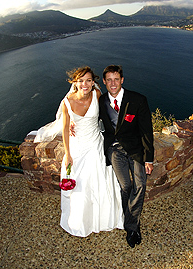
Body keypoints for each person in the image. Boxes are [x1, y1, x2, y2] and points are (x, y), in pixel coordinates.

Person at [38, 66, 123, 237]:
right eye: (81, 81)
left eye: (88, 80)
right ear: (75, 83)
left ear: (93, 83)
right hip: (78, 147)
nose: (85, 84)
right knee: (81, 185)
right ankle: (82, 221)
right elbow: (64, 129)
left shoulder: (97, 95)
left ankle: (104, 219)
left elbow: (105, 115)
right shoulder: (67, 102)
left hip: (96, 144)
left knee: (101, 181)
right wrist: (68, 154)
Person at [99, 65, 154, 248]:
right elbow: (85, 114)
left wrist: (148, 158)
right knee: (126, 186)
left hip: (136, 149)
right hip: (115, 150)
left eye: (116, 79)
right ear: (105, 82)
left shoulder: (138, 100)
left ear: (122, 80)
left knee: (140, 184)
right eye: (109, 80)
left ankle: (131, 226)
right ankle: (133, 225)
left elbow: (147, 131)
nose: (113, 83)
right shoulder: (100, 101)